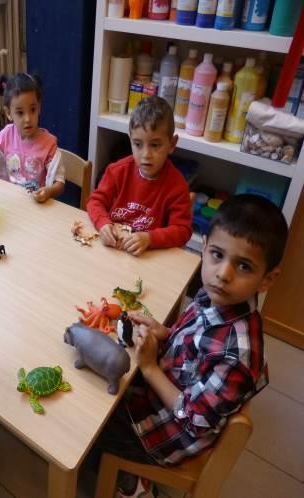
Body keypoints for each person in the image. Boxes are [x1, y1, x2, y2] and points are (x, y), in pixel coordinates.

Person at [95, 194, 288, 497]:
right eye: (216, 254)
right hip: (168, 388)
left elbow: (194, 418)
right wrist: (164, 331)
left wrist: (148, 369)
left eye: (245, 266)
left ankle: (132, 483)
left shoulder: (235, 354)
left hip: (164, 435)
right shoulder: (216, 296)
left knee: (89, 426)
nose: (223, 274)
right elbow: (192, 341)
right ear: (205, 244)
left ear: (267, 279)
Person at [87, 96, 192, 256]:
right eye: (137, 144)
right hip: (112, 250)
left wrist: (150, 238)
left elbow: (182, 230)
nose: (146, 155)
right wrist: (103, 223)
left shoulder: (177, 186)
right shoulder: (116, 171)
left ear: (172, 144)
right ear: (130, 140)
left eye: (155, 145)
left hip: (147, 256)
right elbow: (95, 201)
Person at [0, 73, 65, 203]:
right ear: (8, 113)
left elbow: (59, 183)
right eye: (20, 112)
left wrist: (49, 191)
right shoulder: (6, 136)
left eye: (32, 110)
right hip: (12, 202)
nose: (27, 119)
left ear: (39, 107)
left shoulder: (49, 145)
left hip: (38, 206)